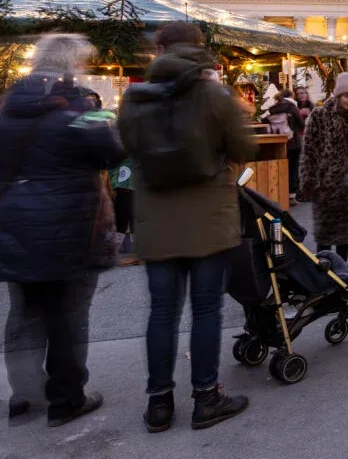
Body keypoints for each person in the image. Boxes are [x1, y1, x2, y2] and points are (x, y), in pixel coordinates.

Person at [118, 22, 257, 432]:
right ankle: (206, 398)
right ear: (200, 49)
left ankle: (159, 403)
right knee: (206, 309)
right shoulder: (214, 95)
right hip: (208, 220)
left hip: (157, 221)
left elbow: (125, 146)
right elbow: (245, 149)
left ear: (158, 49)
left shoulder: (134, 98)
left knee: (162, 312)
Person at [1, 34, 123, 427]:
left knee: (24, 312)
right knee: (68, 314)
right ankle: (66, 399)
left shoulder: (7, 108)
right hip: (70, 223)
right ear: (73, 65)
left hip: (15, 224)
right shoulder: (77, 107)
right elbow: (114, 153)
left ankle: (23, 396)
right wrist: (103, 116)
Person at [299, 73, 348, 262]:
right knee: (325, 234)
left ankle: (342, 272)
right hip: (326, 183)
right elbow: (309, 151)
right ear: (337, 96)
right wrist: (308, 181)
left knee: (345, 235)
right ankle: (323, 275)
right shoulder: (319, 116)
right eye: (346, 95)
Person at [263, 88, 305, 204]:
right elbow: (301, 124)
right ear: (291, 96)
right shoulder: (292, 108)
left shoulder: (271, 109)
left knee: (279, 168)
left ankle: (277, 193)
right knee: (292, 169)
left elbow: (264, 123)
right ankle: (291, 196)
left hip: (276, 143)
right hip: (293, 143)